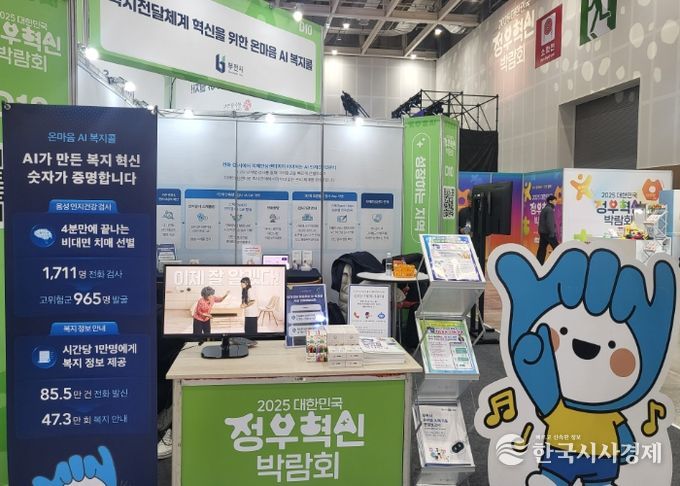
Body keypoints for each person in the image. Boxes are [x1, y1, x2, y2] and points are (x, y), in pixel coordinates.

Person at [536, 195, 559, 264]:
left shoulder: (545, 209)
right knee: (558, 248)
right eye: (555, 200)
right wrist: (552, 233)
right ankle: (561, 263)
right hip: (548, 233)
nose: (556, 202)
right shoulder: (549, 209)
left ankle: (538, 264)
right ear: (550, 201)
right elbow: (550, 222)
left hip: (543, 233)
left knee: (541, 249)